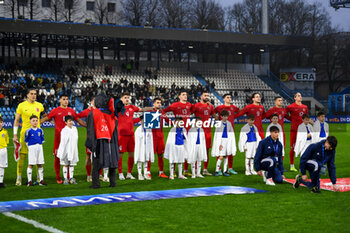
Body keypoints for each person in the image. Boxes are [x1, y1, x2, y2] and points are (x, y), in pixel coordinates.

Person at [40, 94, 86, 183]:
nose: (66, 101)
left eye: (67, 99)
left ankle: (68, 178)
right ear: (59, 100)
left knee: (69, 157)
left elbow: (79, 120)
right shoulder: (55, 111)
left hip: (69, 140)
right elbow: (46, 119)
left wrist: (89, 126)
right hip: (58, 139)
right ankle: (58, 178)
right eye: (64, 99)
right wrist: (35, 124)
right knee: (57, 157)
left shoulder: (71, 111)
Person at [85, 93, 124, 189]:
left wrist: (90, 143)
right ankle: (113, 183)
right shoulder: (112, 113)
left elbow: (90, 129)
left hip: (99, 141)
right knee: (112, 162)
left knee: (97, 163)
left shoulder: (93, 113)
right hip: (112, 141)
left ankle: (96, 184)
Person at [117, 92, 153, 180]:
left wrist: (152, 108)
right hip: (121, 135)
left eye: (128, 97)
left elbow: (141, 110)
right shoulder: (118, 108)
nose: (127, 99)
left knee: (131, 155)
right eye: (125, 97)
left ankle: (129, 173)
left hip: (131, 135)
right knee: (120, 155)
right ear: (121, 99)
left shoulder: (132, 107)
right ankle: (120, 173)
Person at [13, 88, 44, 186]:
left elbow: (45, 116)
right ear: (27, 95)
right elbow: (17, 120)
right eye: (31, 94)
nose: (34, 95)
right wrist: (14, 134)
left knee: (38, 158)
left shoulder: (40, 105)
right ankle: (19, 178)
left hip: (37, 136)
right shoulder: (21, 106)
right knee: (22, 156)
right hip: (25, 135)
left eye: (35, 94)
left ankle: (39, 177)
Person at [163, 91, 193, 175]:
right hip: (177, 130)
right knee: (175, 150)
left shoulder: (189, 105)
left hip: (187, 130)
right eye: (183, 95)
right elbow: (163, 111)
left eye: (186, 94)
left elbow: (194, 110)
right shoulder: (174, 105)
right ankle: (174, 171)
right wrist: (169, 121)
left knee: (186, 150)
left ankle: (186, 170)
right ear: (179, 96)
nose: (185, 96)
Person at [214, 93, 240, 174]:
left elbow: (239, 112)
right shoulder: (220, 107)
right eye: (227, 97)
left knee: (230, 150)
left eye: (230, 97)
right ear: (223, 99)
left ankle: (230, 168)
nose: (229, 99)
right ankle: (219, 169)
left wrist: (233, 117)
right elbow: (213, 112)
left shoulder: (233, 107)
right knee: (220, 149)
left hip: (230, 132)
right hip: (222, 132)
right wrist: (217, 118)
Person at [191, 91, 214, 176]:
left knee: (207, 150)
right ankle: (196, 169)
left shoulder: (210, 106)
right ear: (201, 97)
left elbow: (215, 116)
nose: (207, 96)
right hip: (198, 131)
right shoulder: (196, 105)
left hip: (207, 131)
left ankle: (205, 169)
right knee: (196, 150)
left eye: (208, 95)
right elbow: (190, 113)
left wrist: (213, 107)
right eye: (205, 95)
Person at [286, 92, 309, 172]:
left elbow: (306, 118)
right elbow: (284, 113)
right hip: (294, 130)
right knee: (293, 147)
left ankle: (303, 165)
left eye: (301, 95)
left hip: (303, 130)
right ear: (295, 98)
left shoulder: (305, 107)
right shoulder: (291, 106)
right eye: (298, 96)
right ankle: (292, 165)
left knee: (304, 147)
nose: (300, 97)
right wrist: (290, 118)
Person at [147, 97, 169, 178]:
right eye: (157, 103)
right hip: (152, 138)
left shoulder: (162, 112)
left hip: (160, 137)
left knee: (160, 155)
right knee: (150, 155)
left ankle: (161, 172)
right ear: (153, 104)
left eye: (160, 103)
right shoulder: (150, 112)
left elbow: (168, 121)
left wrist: (178, 125)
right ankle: (148, 172)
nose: (159, 104)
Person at [211, 110, 236, 177]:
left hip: (227, 141)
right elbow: (217, 135)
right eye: (224, 116)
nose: (226, 117)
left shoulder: (229, 123)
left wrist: (231, 142)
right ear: (221, 116)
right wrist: (219, 144)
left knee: (226, 156)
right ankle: (217, 170)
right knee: (221, 157)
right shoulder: (219, 124)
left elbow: (231, 133)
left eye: (227, 116)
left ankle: (225, 171)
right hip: (221, 141)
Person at [57, 115, 79, 185]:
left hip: (73, 148)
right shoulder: (64, 130)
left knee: (72, 164)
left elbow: (76, 139)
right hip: (66, 149)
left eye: (72, 121)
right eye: (69, 121)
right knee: (65, 164)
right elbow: (63, 141)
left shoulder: (75, 129)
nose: (71, 122)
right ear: (66, 122)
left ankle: (71, 178)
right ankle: (65, 178)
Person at [25, 115, 46, 187]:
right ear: (30, 122)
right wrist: (30, 148)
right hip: (31, 147)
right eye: (33, 121)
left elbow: (42, 140)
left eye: (36, 120)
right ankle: (29, 181)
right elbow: (26, 141)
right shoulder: (28, 131)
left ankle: (41, 180)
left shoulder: (40, 130)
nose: (35, 122)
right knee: (31, 164)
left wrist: (39, 146)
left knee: (40, 163)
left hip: (39, 147)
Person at [134, 116, 154, 180]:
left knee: (146, 160)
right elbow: (137, 138)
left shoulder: (149, 129)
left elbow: (151, 139)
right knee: (140, 160)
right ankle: (139, 174)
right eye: (142, 120)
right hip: (140, 147)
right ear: (140, 121)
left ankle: (145, 173)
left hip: (147, 146)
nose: (144, 122)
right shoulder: (138, 129)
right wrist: (144, 135)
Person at [0, 116, 9, 188]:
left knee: (2, 166)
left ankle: (1, 181)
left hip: (3, 150)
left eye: (1, 122)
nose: (0, 124)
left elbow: (6, 141)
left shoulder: (5, 132)